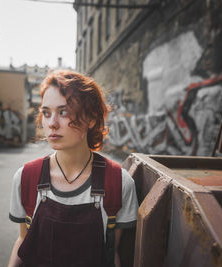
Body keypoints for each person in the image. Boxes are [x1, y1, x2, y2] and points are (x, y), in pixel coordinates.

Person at [8, 70, 138, 267]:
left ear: (92, 118)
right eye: (46, 113)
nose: (51, 124)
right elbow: (22, 242)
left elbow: (114, 254)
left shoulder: (118, 182)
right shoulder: (26, 177)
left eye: (63, 112)